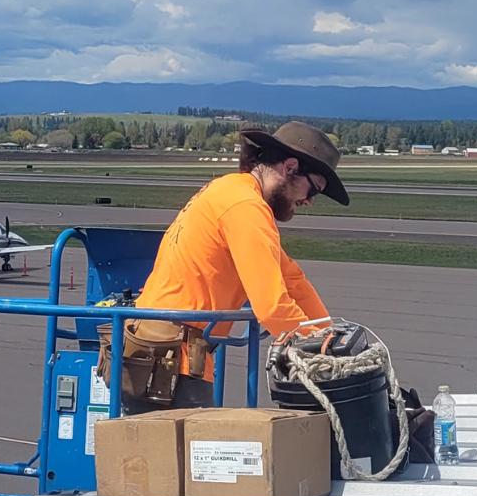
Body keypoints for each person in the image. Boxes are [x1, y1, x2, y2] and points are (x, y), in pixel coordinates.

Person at [125, 121, 349, 412]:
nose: (308, 202)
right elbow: (272, 307)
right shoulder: (245, 207)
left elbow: (291, 278)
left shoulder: (231, 191)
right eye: (314, 190)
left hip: (162, 348)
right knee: (189, 455)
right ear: (290, 167)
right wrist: (321, 349)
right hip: (170, 358)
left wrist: (327, 334)